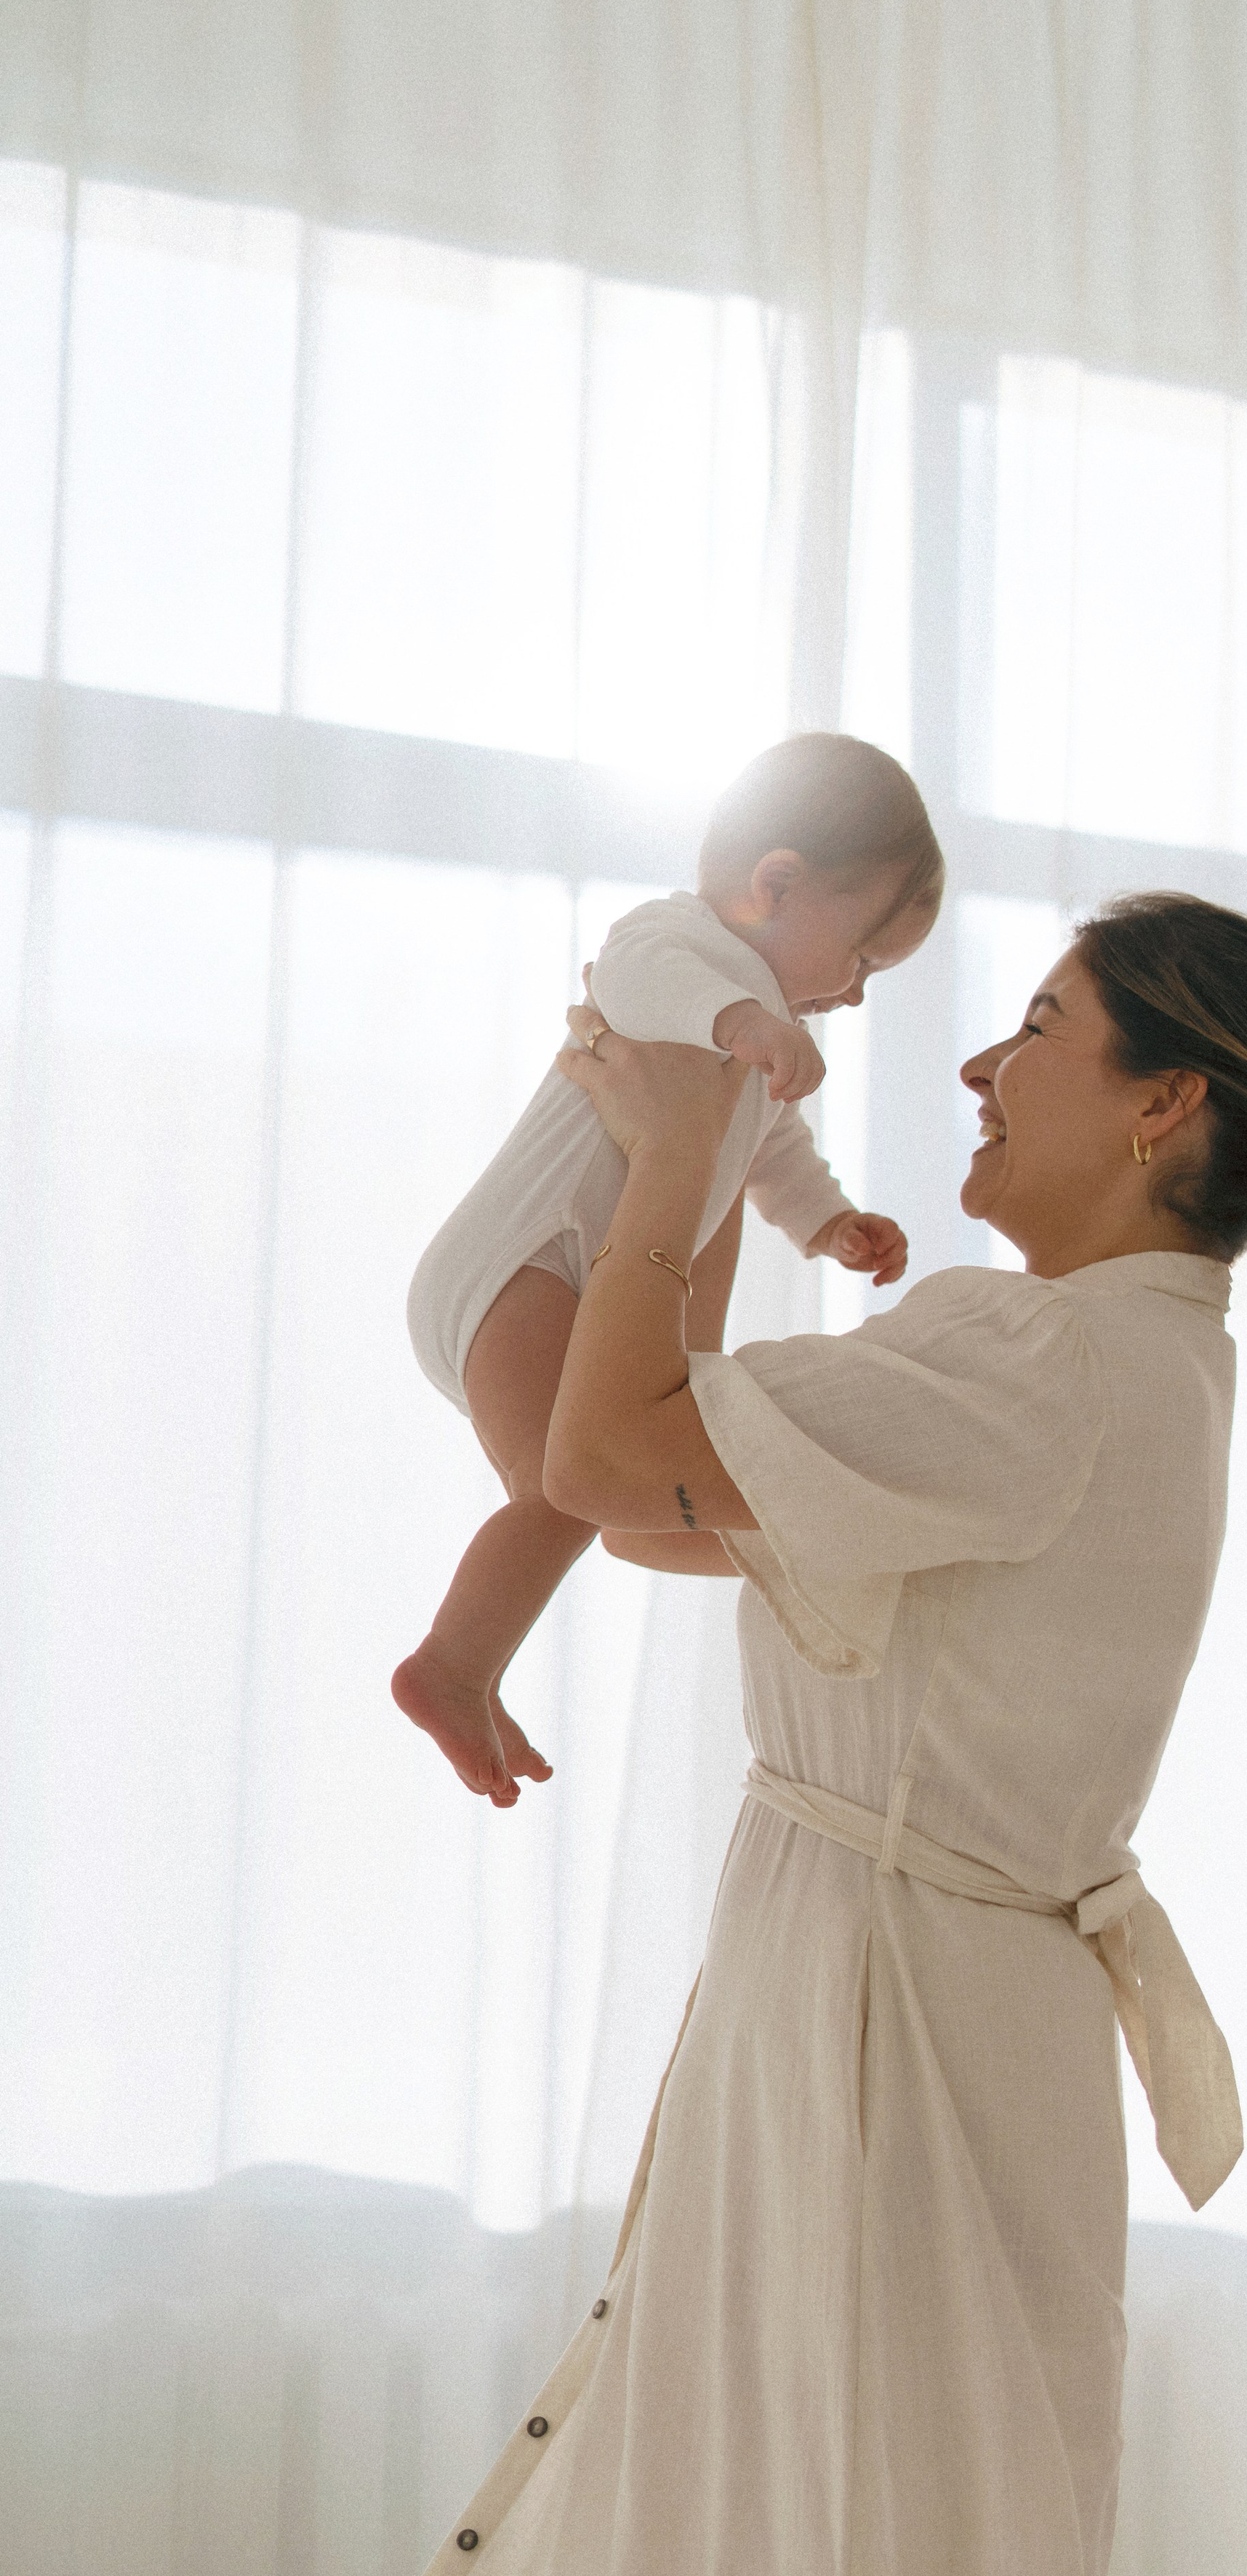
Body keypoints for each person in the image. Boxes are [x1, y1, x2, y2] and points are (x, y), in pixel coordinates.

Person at [314, 891, 1247, 2576]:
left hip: (886, 2034)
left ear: (1163, 1106)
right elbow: (657, 1492)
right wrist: (698, 1176)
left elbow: (596, 1458)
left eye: (1041, 1027)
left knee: (824, 2565)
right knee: (870, 2563)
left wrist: (680, 1147)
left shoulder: (1036, 1356)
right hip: (909, 2010)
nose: (981, 1065)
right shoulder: (1114, 1357)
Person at [392, 733, 943, 1807]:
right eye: (864, 959)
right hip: (521, 1262)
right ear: (775, 885)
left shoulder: (750, 1032)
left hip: (544, 1276)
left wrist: (828, 1223)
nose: (857, 994)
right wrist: (740, 1022)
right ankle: (451, 1668)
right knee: (574, 1490)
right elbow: (639, 975)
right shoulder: (684, 945)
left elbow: (771, 1150)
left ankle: (474, 1666)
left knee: (583, 1497)